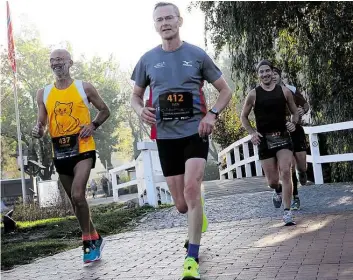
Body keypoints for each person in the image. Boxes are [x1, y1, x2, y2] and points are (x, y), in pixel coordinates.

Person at [130, 2, 232, 279]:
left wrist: (211, 115)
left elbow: (225, 90)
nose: (165, 23)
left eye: (169, 18)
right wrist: (142, 111)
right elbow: (135, 96)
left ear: (180, 21)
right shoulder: (147, 59)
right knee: (181, 204)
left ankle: (192, 258)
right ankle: (198, 215)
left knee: (191, 189)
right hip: (165, 136)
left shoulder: (197, 55)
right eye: (159, 20)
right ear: (155, 25)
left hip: (195, 132)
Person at [31, 49, 110, 264]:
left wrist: (93, 125)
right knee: (76, 203)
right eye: (52, 60)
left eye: (60, 59)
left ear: (70, 63)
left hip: (83, 149)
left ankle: (86, 242)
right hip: (61, 152)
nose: (56, 63)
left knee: (77, 195)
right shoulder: (43, 93)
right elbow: (43, 125)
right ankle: (96, 237)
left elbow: (105, 110)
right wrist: (38, 130)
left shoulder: (84, 87)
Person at [241, 60, 299, 226]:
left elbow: (295, 113)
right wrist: (252, 133)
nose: (265, 74)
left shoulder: (285, 91)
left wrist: (293, 123)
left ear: (272, 72)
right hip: (264, 140)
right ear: (258, 75)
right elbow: (243, 117)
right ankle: (277, 190)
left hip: (283, 137)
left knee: (286, 172)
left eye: (267, 71)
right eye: (261, 72)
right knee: (272, 181)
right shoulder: (253, 94)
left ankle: (287, 212)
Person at [273, 67, 309, 210]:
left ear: (280, 76)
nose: (273, 76)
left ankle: (303, 172)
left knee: (301, 165)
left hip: (296, 130)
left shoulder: (291, 89)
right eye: (272, 74)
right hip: (280, 133)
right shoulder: (265, 93)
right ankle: (295, 197)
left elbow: (305, 105)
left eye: (276, 74)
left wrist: (303, 110)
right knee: (289, 167)